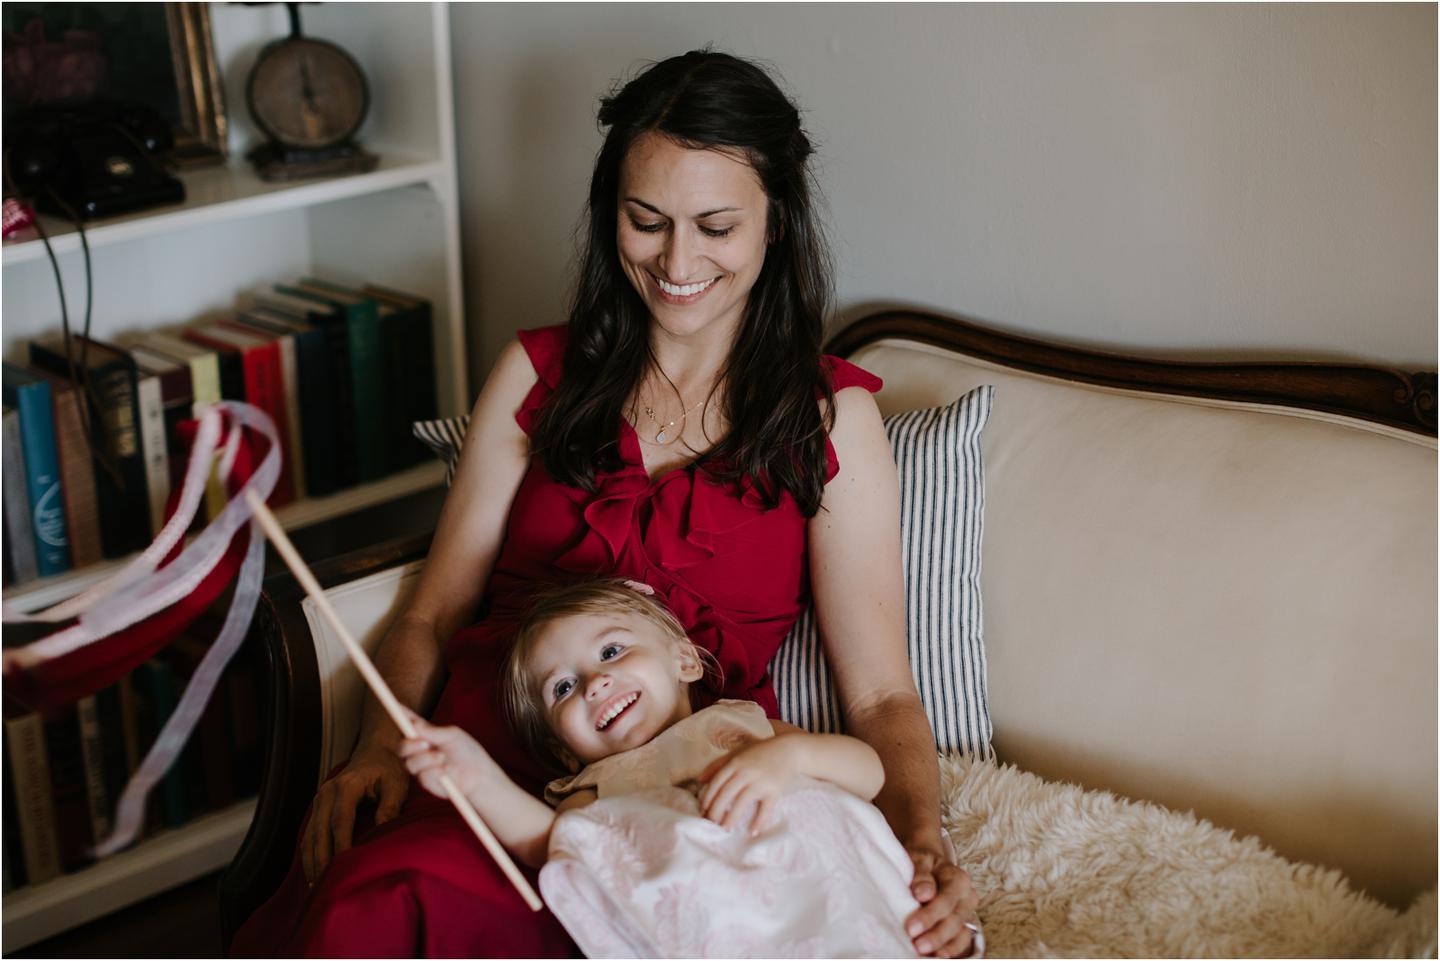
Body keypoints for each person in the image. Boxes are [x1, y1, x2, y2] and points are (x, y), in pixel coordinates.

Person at [232, 49, 980, 959]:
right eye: (645, 220)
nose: (677, 261)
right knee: (381, 903)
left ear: (775, 223)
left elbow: (881, 692)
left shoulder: (831, 420)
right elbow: (433, 609)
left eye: (716, 226)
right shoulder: (537, 372)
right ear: (609, 213)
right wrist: (381, 749)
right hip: (486, 769)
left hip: (676, 813)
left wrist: (922, 842)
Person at [399, 578, 927, 958]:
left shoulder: (741, 726)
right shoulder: (592, 787)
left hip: (817, 893)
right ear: (563, 751)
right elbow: (555, 844)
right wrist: (477, 779)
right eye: (562, 688)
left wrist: (790, 757)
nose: (594, 683)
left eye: (611, 650)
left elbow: (868, 773)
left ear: (685, 661)